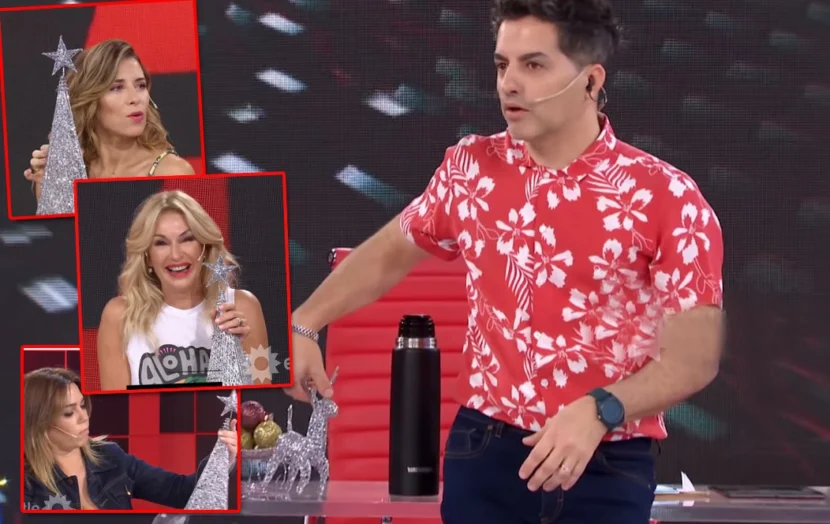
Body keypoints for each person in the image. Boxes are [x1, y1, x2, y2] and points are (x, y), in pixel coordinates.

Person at [287, 0, 725, 522]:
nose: (508, 84)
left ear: (590, 80)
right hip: (484, 450)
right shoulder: (470, 168)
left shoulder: (666, 197)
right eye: (502, 65)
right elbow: (389, 252)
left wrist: (601, 409)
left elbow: (693, 359)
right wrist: (305, 322)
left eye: (533, 65)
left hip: (606, 458)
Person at [97, 190, 270, 390]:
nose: (176, 255)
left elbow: (258, 404)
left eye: (187, 239)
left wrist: (237, 354)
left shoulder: (241, 307)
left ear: (204, 247)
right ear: (147, 256)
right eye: (161, 243)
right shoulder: (120, 316)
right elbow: (117, 407)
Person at [23, 367, 238, 510]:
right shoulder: (25, 485)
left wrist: (220, 461)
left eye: (82, 406)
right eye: (69, 413)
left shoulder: (110, 457)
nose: (84, 417)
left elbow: (180, 492)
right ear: (39, 423)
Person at [23, 39, 195, 200]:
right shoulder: (71, 172)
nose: (135, 98)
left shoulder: (173, 172)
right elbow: (64, 223)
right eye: (117, 88)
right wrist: (52, 189)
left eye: (140, 85)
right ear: (91, 99)